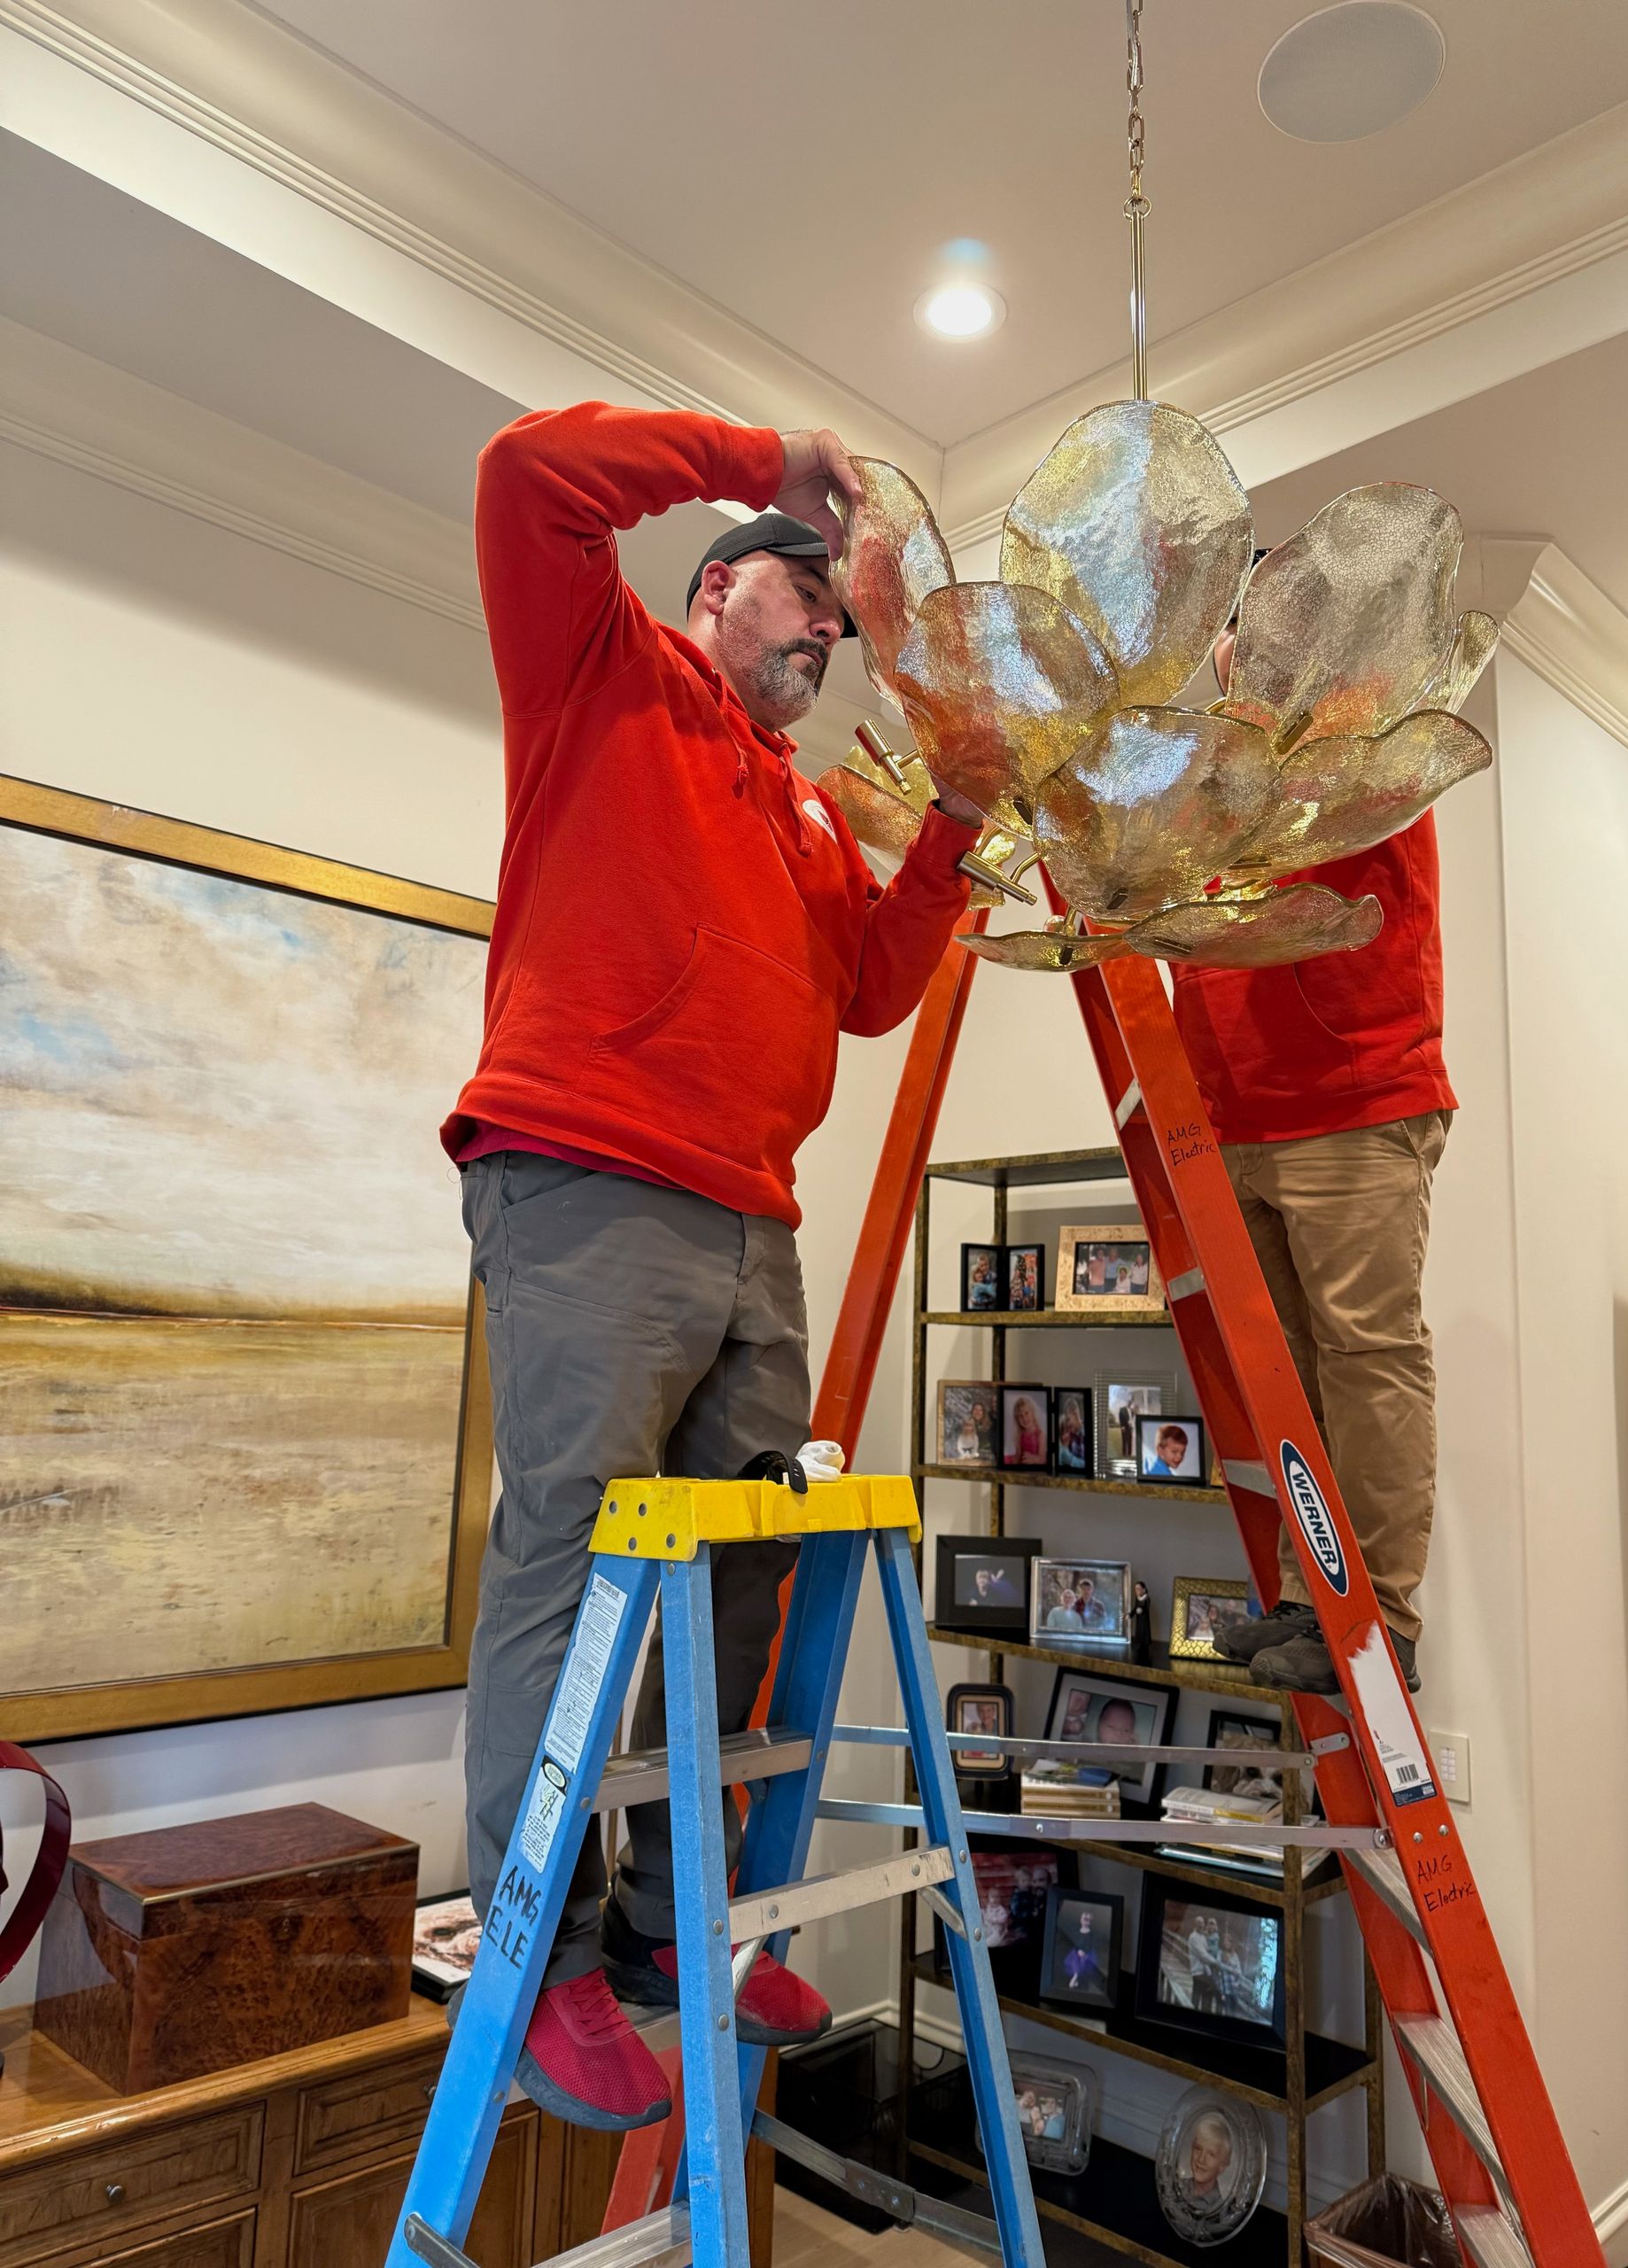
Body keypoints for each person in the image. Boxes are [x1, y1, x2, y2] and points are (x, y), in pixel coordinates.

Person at [444, 400, 984, 2131]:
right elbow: (528, 477)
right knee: (573, 1569)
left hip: (758, 1222)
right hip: (589, 1183)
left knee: (733, 1584)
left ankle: (681, 1923)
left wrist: (960, 813)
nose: (829, 629)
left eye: (840, 615)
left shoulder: (814, 817)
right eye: (802, 595)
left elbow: (876, 986)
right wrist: (759, 448)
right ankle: (542, 1956)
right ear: (716, 585)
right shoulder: (601, 670)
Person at [1171, 599, 1450, 1696]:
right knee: (1287, 1373)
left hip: (1352, 1095)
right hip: (1234, 1111)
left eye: (1266, 619)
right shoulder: (1221, 771)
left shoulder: (1364, 733)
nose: (1240, 646)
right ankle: (1310, 1595)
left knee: (1368, 1353)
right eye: (1232, 629)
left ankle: (1384, 1615)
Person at [1185, 2111, 1235, 2204]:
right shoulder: (1177, 2187)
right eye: (1198, 2149)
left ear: (1223, 2165)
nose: (1201, 2159)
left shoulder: (1220, 2206)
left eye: (1211, 2154)